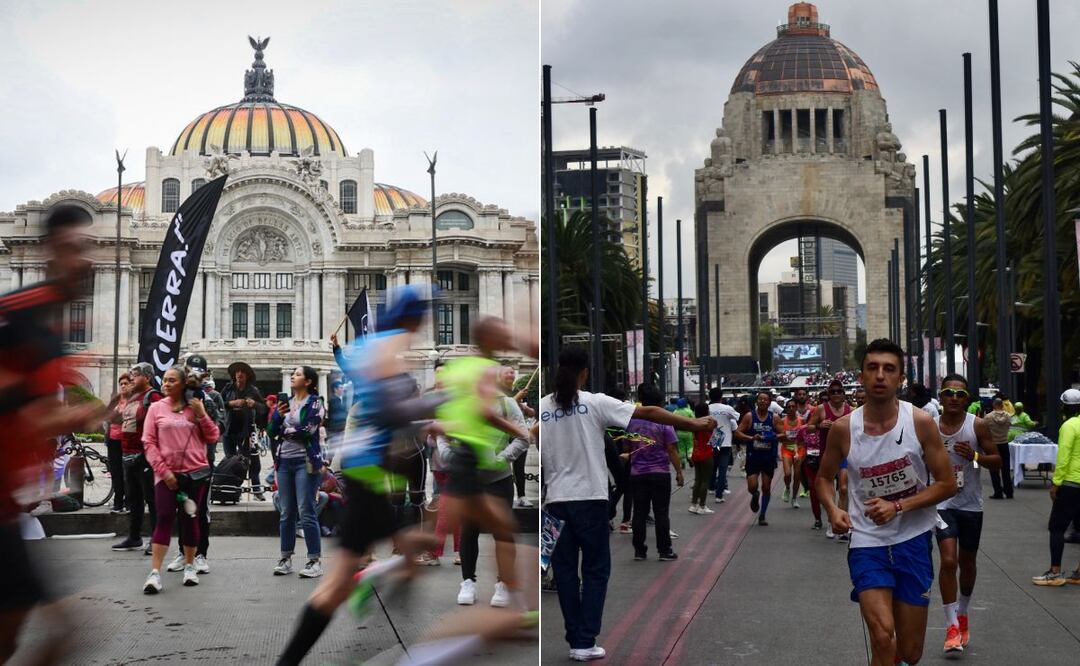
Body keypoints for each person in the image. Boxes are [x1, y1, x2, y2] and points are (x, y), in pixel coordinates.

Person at [276, 286, 451, 666]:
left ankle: (375, 589)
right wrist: (439, 404)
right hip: (368, 470)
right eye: (422, 315)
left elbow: (375, 399)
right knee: (341, 583)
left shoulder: (369, 348)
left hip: (364, 468)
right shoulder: (388, 347)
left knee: (406, 546)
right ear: (412, 316)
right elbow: (390, 412)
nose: (424, 323)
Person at [541, 348, 714, 661]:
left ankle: (575, 640)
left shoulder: (542, 408)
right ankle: (584, 640)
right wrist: (696, 426)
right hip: (590, 500)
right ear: (584, 372)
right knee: (595, 571)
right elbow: (649, 412)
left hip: (554, 503)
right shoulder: (594, 402)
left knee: (565, 573)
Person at [0, 204, 106, 664]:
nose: (83, 260)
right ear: (47, 253)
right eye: (72, 248)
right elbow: (35, 419)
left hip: (8, 508)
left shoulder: (46, 330)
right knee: (57, 627)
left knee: (22, 630)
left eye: (86, 248)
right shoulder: (20, 318)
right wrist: (92, 413)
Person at [816, 339, 956, 666]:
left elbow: (947, 484)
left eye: (889, 369)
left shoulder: (920, 422)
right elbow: (823, 478)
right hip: (868, 543)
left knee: (909, 652)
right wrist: (833, 509)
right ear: (862, 376)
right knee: (882, 636)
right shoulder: (843, 429)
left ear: (901, 378)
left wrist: (898, 506)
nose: (880, 375)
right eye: (873, 368)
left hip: (913, 540)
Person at [932, 374, 1000, 657]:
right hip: (942, 504)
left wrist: (973, 456)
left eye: (960, 394)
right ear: (941, 396)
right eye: (949, 393)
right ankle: (950, 627)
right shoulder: (929, 427)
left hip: (970, 505)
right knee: (948, 561)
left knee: (967, 563)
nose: (954, 399)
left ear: (967, 398)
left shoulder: (978, 425)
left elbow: (996, 462)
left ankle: (963, 613)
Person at [454, 361, 530, 607]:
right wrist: (452, 457)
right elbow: (443, 439)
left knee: (502, 533)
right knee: (468, 531)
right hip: (469, 480)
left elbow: (523, 437)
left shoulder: (506, 404)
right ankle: (468, 581)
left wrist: (501, 458)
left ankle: (503, 582)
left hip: (499, 479)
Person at [141, 365, 220, 593]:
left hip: (195, 473)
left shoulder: (195, 407)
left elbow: (213, 436)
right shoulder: (156, 408)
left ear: (184, 384)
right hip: (165, 474)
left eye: (172, 380)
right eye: (165, 380)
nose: (166, 384)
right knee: (164, 517)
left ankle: (189, 565)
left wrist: (201, 414)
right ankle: (155, 572)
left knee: (190, 518)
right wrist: (163, 471)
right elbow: (148, 442)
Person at [268, 366, 325, 578]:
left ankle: (314, 560)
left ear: (308, 381)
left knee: (306, 510)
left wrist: (284, 431)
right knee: (286, 512)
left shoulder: (316, 403)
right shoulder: (286, 404)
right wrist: (277, 417)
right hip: (284, 462)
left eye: (298, 374)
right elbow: (271, 431)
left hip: (305, 462)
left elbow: (308, 430)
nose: (293, 376)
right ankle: (285, 557)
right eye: (292, 373)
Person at [623, 382, 687, 560]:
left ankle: (639, 551)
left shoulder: (631, 422)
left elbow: (627, 447)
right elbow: (672, 449)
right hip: (660, 472)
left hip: (638, 473)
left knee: (639, 512)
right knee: (661, 512)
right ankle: (664, 550)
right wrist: (679, 472)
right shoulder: (664, 421)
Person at [112, 362, 163, 554]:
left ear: (147, 377)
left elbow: (161, 424)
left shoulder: (154, 397)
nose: (132, 378)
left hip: (145, 455)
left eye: (136, 374)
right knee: (133, 498)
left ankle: (157, 540)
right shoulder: (133, 397)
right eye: (131, 374)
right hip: (128, 454)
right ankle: (134, 537)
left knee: (151, 498)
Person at [1031, 389, 1080, 586]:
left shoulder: (1068, 426)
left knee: (1057, 527)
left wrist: (1056, 483)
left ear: (1065, 407)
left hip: (1070, 483)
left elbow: (1064, 457)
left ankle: (1055, 572)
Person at [809, 379, 853, 540]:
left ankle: (843, 523)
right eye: (832, 391)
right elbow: (808, 427)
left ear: (843, 393)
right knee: (829, 489)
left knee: (843, 488)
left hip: (845, 455)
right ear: (828, 395)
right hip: (827, 454)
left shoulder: (850, 410)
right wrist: (820, 425)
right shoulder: (821, 409)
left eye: (839, 391)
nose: (836, 394)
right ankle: (831, 520)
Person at [734, 390, 781, 526]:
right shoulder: (749, 416)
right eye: (760, 399)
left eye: (765, 399)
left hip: (768, 457)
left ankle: (762, 515)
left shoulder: (774, 418)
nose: (762, 401)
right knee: (752, 486)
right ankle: (755, 495)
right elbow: (737, 433)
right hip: (753, 456)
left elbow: (783, 434)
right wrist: (751, 438)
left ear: (769, 402)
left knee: (766, 487)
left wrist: (770, 437)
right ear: (756, 401)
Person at [221, 361, 267, 500]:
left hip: (246, 431)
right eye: (237, 372)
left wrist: (254, 404)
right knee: (230, 460)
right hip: (229, 430)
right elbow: (219, 405)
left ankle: (256, 490)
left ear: (247, 376)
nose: (239, 374)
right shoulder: (228, 388)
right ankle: (232, 490)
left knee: (249, 461)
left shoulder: (253, 391)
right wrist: (231, 403)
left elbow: (264, 409)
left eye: (242, 372)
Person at [707, 387, 739, 503]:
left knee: (712, 466)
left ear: (710, 397)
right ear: (721, 397)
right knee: (722, 469)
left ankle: (711, 487)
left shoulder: (707, 409)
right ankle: (719, 495)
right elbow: (737, 417)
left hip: (713, 439)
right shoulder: (727, 408)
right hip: (725, 441)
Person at [104, 374, 132, 514]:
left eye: (126, 383)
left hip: (128, 441)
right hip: (113, 441)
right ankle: (118, 502)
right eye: (121, 383)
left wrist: (117, 418)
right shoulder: (116, 400)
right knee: (116, 472)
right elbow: (107, 416)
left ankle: (129, 502)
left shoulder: (134, 401)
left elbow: (129, 419)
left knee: (128, 473)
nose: (123, 386)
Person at [689, 401, 717, 515]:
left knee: (698, 480)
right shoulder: (709, 423)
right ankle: (702, 506)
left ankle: (694, 504)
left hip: (696, 453)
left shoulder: (694, 423)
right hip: (707, 453)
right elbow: (715, 438)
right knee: (705, 481)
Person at [985, 398, 1014, 500]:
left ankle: (998, 492)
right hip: (1004, 443)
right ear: (1002, 405)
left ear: (994, 405)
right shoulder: (1008, 416)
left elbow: (985, 429)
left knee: (994, 469)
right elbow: (1010, 426)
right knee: (1005, 469)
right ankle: (1009, 491)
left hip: (993, 445)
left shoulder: (988, 417)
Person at [778, 399, 804, 508]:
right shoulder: (782, 421)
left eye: (793, 406)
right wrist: (783, 437)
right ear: (786, 408)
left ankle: (794, 498)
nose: (791, 409)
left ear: (797, 408)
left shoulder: (802, 420)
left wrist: (799, 448)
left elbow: (805, 436)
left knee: (797, 475)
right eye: (789, 407)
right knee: (788, 474)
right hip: (786, 449)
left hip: (799, 449)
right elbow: (779, 437)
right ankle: (787, 487)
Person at [673, 398, 695, 467]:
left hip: (679, 432)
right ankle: (689, 457)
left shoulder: (675, 412)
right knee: (690, 446)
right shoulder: (689, 411)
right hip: (688, 432)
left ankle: (682, 461)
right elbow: (694, 420)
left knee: (681, 447)